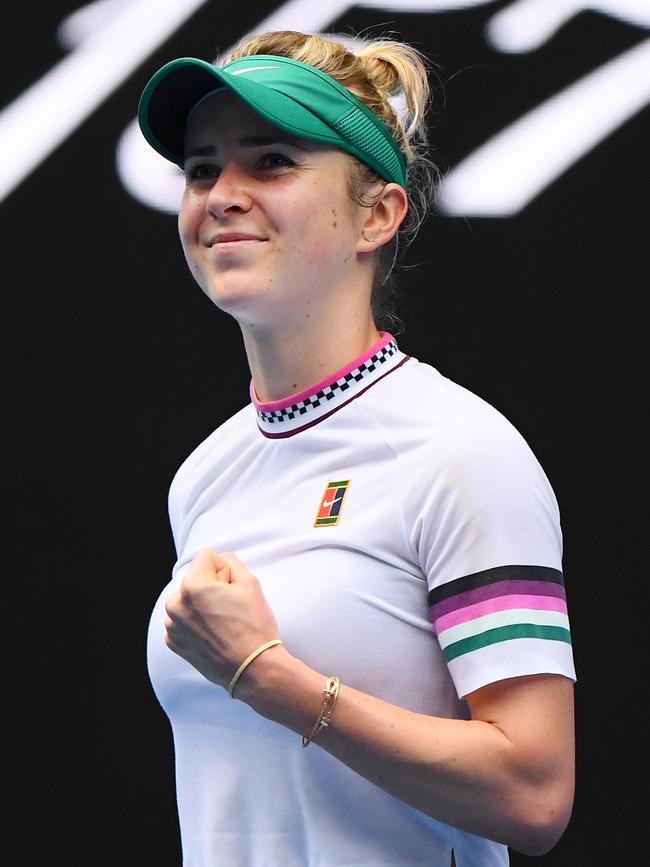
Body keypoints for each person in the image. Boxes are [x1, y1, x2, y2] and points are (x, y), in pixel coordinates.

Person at [138, 29, 576, 867]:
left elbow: (535, 793)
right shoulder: (202, 476)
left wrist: (271, 677)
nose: (222, 194)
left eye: (270, 162)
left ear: (377, 213)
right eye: (202, 169)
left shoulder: (461, 451)